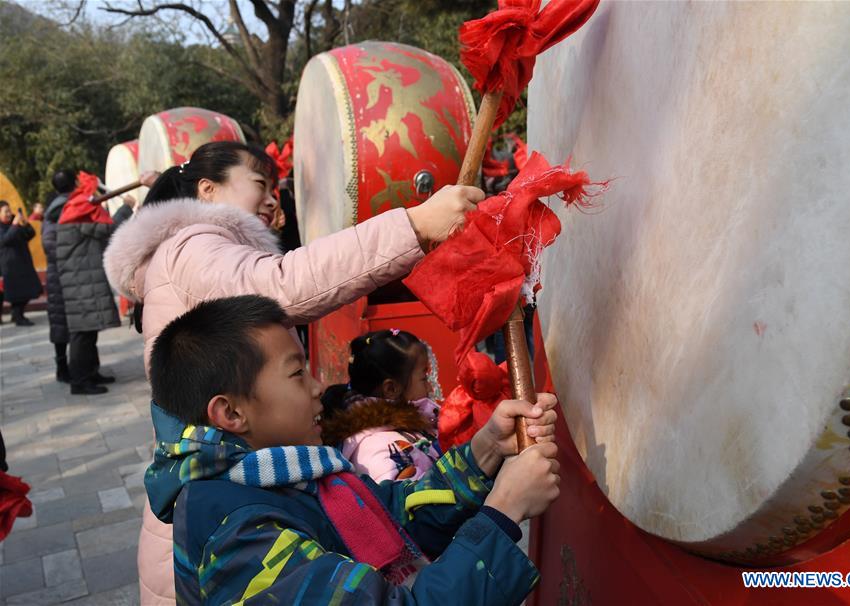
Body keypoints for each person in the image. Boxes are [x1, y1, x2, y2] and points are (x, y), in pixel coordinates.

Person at [102, 140, 482, 604]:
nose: (271, 199)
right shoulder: (193, 244)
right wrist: (415, 224)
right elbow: (282, 285)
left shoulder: (190, 252)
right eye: (259, 183)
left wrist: (481, 457)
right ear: (207, 188)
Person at [147, 295, 560, 604]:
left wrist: (485, 452)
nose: (316, 388)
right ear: (231, 413)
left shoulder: (284, 475)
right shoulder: (238, 533)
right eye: (296, 374)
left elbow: (392, 512)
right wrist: (503, 510)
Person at [321, 329, 442, 481]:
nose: (430, 387)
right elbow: (415, 501)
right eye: (424, 378)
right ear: (391, 389)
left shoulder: (412, 424)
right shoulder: (377, 450)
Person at [56, 173, 135, 395]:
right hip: (80, 281)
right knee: (82, 333)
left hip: (81, 279)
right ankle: (80, 381)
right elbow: (108, 229)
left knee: (88, 331)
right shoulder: (79, 212)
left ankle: (90, 373)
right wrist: (126, 208)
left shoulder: (75, 209)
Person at [42, 170, 76, 382]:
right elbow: (50, 244)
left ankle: (79, 366)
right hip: (61, 274)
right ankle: (62, 367)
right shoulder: (60, 209)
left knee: (69, 323)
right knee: (61, 323)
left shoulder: (59, 207)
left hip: (64, 273)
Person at [0, 201, 42, 326]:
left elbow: (30, 234)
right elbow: (5, 240)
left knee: (28, 290)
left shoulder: (15, 223)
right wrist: (14, 225)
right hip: (9, 265)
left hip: (23, 262)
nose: (9, 213)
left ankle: (17, 314)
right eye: (5, 211)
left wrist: (25, 223)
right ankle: (18, 316)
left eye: (9, 210)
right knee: (16, 293)